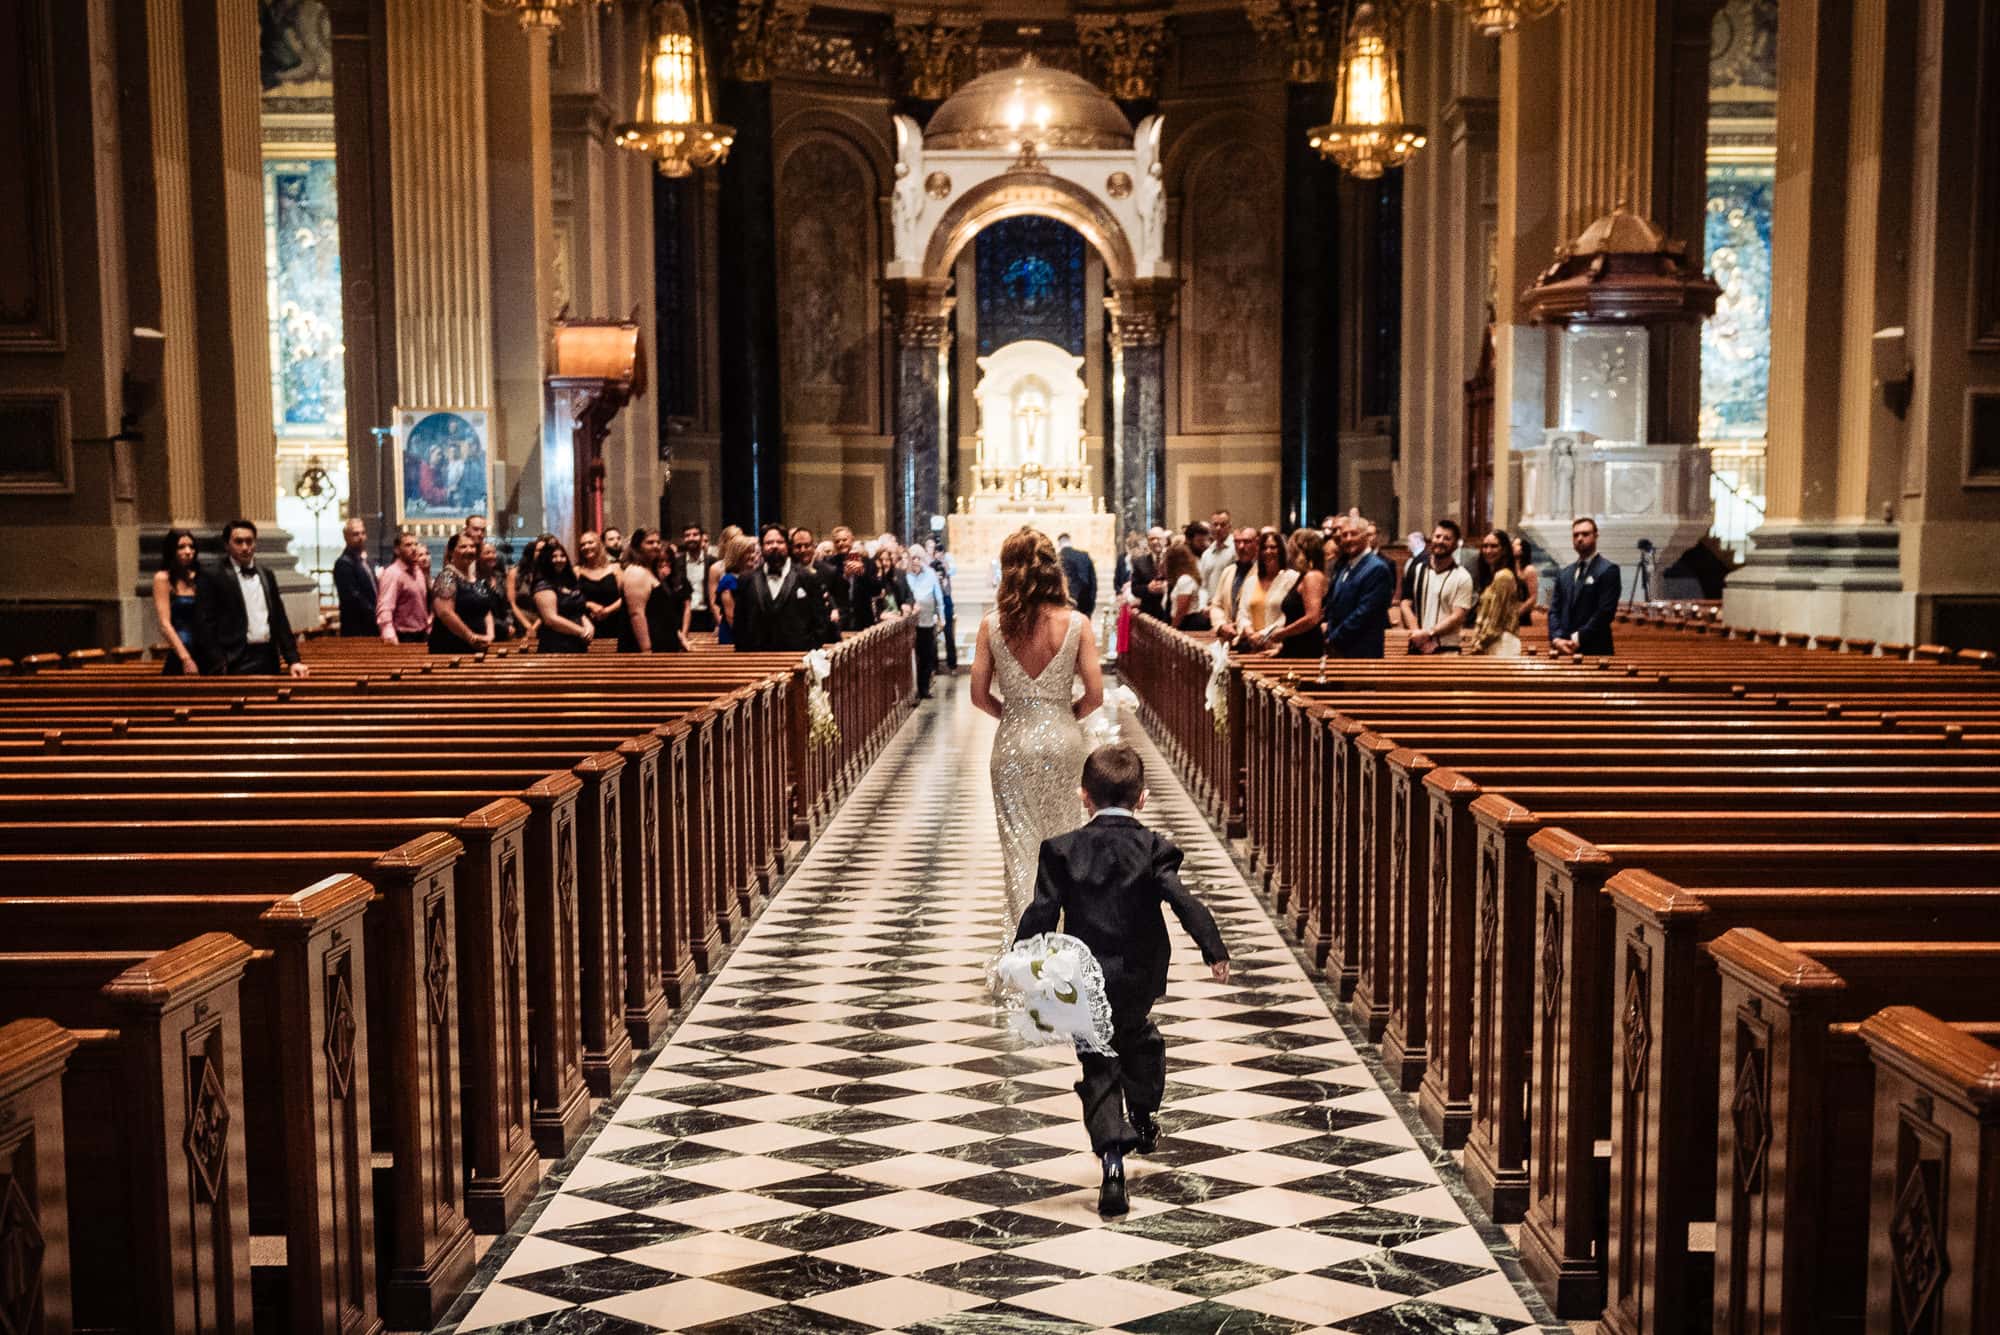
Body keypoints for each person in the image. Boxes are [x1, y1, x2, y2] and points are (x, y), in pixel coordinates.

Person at [1013, 743, 1229, 1217]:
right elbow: (1183, 900)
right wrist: (1214, 949)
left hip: (1086, 979)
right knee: (1139, 1041)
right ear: (1144, 799)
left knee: (1098, 1064)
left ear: (1083, 796)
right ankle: (1146, 1113)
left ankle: (1112, 1164)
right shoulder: (1153, 848)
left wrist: (1022, 958)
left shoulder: (1061, 850)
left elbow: (1043, 911)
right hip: (1137, 976)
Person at [971, 527, 1105, 942]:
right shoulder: (1077, 623)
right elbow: (1096, 695)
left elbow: (978, 696)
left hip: (1012, 744)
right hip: (1065, 741)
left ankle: (1024, 953)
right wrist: (1061, 716)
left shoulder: (991, 625)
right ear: (1053, 568)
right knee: (1064, 849)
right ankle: (1064, 948)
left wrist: (1015, 716)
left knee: (1020, 853)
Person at [195, 519, 309, 677]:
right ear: (227, 545)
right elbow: (204, 625)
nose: (245, 547)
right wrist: (219, 662)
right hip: (234, 659)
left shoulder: (266, 574)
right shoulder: (213, 575)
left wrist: (293, 660)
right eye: (238, 542)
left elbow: (280, 619)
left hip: (267, 657)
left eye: (249, 541)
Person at [736, 524, 833, 652]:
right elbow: (740, 623)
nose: (774, 546)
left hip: (798, 656)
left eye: (780, 542)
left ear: (788, 546)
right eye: (769, 542)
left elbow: (821, 621)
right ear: (761, 547)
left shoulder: (807, 577)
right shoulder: (747, 580)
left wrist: (810, 651)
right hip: (757, 657)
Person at [1322, 515, 1394, 658]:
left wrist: (1334, 638)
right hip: (1340, 650)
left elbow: (1364, 613)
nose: (1348, 539)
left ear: (1366, 536)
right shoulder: (1345, 566)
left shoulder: (1377, 568)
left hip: (1362, 651)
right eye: (1344, 535)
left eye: (1354, 534)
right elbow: (1335, 605)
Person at [1548, 515, 1620, 655]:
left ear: (1596, 536)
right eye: (1576, 535)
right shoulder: (1565, 574)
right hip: (1562, 649)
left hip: (1594, 649)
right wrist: (1557, 638)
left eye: (1585, 534)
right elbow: (1554, 610)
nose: (1580, 538)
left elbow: (1605, 612)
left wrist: (1576, 639)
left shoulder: (1608, 570)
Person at [1403, 519, 1475, 655]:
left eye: (1447, 538)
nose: (1440, 541)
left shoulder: (1463, 577)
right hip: (1417, 646)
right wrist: (1417, 633)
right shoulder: (1417, 569)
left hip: (1447, 650)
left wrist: (1429, 633)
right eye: (1437, 536)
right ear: (1432, 539)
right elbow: (1405, 603)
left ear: (1455, 545)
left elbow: (1457, 616)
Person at [619, 529, 690, 653]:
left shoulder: (650, 571)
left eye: (658, 542)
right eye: (650, 542)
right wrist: (647, 651)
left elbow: (664, 613)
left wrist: (680, 637)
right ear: (637, 546)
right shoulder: (636, 572)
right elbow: (636, 615)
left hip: (662, 646)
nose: (656, 546)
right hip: (647, 650)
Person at [1262, 528, 1330, 657]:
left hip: (1306, 650)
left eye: (1291, 549)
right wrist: (1281, 648)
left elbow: (1312, 618)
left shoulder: (1312, 576)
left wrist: (1283, 633)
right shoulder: (1302, 576)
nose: (1289, 554)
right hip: (1294, 646)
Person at [428, 530, 498, 654]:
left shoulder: (476, 579)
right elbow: (445, 613)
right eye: (463, 547)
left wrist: (490, 635)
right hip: (452, 648)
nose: (469, 550)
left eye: (472, 547)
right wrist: (470, 637)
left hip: (478, 645)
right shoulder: (447, 577)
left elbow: (486, 610)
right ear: (451, 552)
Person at [1230, 529, 1298, 651]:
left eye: (1273, 547)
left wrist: (1263, 634)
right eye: (1264, 548)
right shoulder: (1251, 581)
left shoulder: (1291, 578)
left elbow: (1288, 615)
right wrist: (1249, 631)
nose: (1268, 552)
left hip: (1277, 645)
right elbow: (1242, 612)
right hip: (1252, 645)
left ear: (1281, 551)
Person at [1465, 528, 1525, 658]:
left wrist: (1479, 643)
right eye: (1485, 546)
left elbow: (1495, 620)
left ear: (1504, 550)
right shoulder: (1493, 577)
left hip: (1502, 643)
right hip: (1493, 642)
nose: (1488, 551)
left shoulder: (1504, 576)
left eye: (1494, 546)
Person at [531, 538, 596, 653]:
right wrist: (581, 631)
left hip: (577, 642)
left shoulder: (569, 583)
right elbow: (551, 619)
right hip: (556, 644)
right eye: (554, 557)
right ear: (546, 560)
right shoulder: (543, 585)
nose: (559, 560)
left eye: (562, 556)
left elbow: (577, 610)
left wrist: (588, 625)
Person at [152, 528, 202, 675]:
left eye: (191, 546)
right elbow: (165, 624)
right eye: (181, 547)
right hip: (181, 650)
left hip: (203, 648)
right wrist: (185, 658)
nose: (188, 551)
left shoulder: (200, 576)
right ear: (171, 550)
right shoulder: (163, 578)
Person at [903, 546, 946, 698]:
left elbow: (938, 596)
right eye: (912, 558)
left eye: (918, 558)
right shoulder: (905, 575)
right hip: (908, 623)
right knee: (911, 657)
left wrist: (941, 617)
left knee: (926, 655)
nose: (915, 561)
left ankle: (924, 688)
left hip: (927, 620)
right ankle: (912, 690)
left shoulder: (930, 573)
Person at [375, 531, 432, 644]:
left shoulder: (418, 571)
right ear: (397, 550)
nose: (414, 548)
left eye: (415, 544)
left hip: (421, 633)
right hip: (403, 636)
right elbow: (385, 606)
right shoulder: (392, 573)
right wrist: (387, 630)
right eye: (408, 545)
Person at [575, 531, 625, 647]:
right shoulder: (577, 571)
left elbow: (626, 597)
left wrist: (607, 610)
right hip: (588, 627)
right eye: (582, 545)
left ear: (599, 544)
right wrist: (589, 604)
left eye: (590, 542)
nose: (586, 547)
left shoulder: (615, 568)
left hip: (615, 624)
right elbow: (571, 600)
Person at [332, 518, 378, 637]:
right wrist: (375, 613)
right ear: (346, 537)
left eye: (363, 533)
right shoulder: (343, 563)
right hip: (356, 626)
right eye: (355, 534)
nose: (361, 537)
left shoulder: (367, 560)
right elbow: (353, 596)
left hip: (371, 624)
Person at [713, 533, 756, 646]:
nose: (752, 556)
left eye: (753, 552)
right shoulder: (728, 580)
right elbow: (731, 616)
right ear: (738, 554)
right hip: (734, 638)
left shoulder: (751, 578)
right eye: (748, 552)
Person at [1162, 540, 1210, 632]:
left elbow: (1182, 610)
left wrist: (1173, 627)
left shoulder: (1184, 580)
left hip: (1189, 623)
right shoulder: (1185, 578)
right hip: (1187, 621)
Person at [679, 525, 717, 632]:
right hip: (684, 615)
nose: (691, 538)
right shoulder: (676, 563)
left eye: (695, 535)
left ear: (701, 538)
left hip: (707, 616)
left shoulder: (713, 562)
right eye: (687, 535)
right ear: (683, 539)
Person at [478, 542, 518, 641]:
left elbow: (507, 605)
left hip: (506, 632)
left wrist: (509, 624)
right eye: (487, 553)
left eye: (493, 553)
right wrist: (504, 626)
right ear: (477, 557)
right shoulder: (474, 580)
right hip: (483, 631)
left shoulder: (500, 577)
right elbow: (480, 612)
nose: (492, 556)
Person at [1130, 527, 1169, 621]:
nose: (1155, 541)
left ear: (1165, 540)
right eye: (1151, 539)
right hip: (1149, 613)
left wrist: (1166, 587)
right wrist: (1148, 588)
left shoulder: (1174, 559)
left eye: (1158, 538)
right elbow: (1134, 589)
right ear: (1148, 542)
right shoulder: (1139, 562)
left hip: (1169, 613)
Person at [1057, 533, 1097, 619]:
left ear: (1059, 544)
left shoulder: (1057, 558)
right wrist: (1090, 608)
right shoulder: (1084, 556)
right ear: (1070, 541)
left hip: (1065, 608)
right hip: (1085, 605)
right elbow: (1093, 583)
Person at [707, 524, 743, 618]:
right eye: (734, 539)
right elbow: (714, 602)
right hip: (724, 618)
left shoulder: (747, 565)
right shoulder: (716, 568)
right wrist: (723, 622)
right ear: (725, 543)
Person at [1198, 509, 1236, 597]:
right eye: (1215, 524)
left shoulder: (1236, 549)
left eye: (1222, 525)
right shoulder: (1207, 554)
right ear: (1211, 527)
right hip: (1209, 605)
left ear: (1229, 526)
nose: (1218, 528)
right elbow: (1203, 585)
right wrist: (1204, 604)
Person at [871, 545, 910, 621]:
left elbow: (908, 596)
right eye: (881, 560)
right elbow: (873, 609)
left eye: (887, 560)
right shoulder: (873, 580)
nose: (884, 563)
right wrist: (881, 615)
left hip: (896, 622)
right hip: (880, 625)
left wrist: (907, 605)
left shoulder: (895, 577)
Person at [1512, 535, 1540, 627]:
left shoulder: (1529, 569)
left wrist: (1517, 613)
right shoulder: (1510, 568)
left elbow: (1533, 597)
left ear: (1523, 549)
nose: (1512, 546)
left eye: (1516, 545)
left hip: (1522, 617)